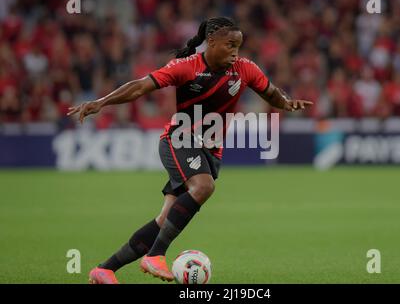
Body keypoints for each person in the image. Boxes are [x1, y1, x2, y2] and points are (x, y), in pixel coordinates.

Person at [67, 17, 313, 284]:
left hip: (210, 152)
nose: (235, 52)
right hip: (179, 141)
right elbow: (140, 86)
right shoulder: (187, 67)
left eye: (238, 46)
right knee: (204, 187)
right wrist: (101, 103)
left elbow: (270, 91)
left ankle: (105, 270)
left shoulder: (245, 69)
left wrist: (286, 104)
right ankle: (155, 255)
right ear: (211, 42)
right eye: (230, 45)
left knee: (164, 221)